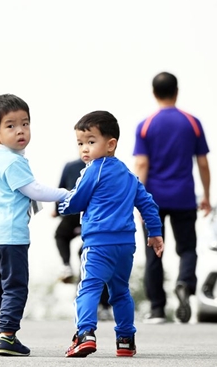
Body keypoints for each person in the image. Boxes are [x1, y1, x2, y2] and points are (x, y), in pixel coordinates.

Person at [59, 110, 164, 358]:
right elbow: (148, 203)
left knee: (88, 288)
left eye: (90, 141)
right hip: (125, 245)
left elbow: (76, 201)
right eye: (80, 143)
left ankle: (85, 334)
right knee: (120, 292)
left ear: (110, 144)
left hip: (98, 244)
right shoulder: (129, 175)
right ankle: (125, 339)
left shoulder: (92, 170)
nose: (84, 149)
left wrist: (63, 204)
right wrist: (155, 233)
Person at [0, 93, 69, 357]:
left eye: (25, 123)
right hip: (10, 236)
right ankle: (7, 336)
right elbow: (34, 190)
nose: (20, 131)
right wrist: (65, 194)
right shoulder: (13, 162)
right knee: (15, 286)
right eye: (11, 126)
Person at [133, 71, 211, 325]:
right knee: (187, 248)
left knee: (154, 251)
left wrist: (137, 199)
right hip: (184, 196)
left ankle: (157, 309)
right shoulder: (192, 122)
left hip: (153, 199)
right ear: (177, 91)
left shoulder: (146, 125)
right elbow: (203, 163)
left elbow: (142, 164)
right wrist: (207, 196)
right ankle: (185, 283)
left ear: (154, 93)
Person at [51, 158, 112, 321]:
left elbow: (61, 188)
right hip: (95, 216)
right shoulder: (107, 167)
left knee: (64, 237)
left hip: (78, 212)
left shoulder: (72, 166)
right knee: (96, 256)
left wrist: (57, 211)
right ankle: (103, 306)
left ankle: (66, 266)